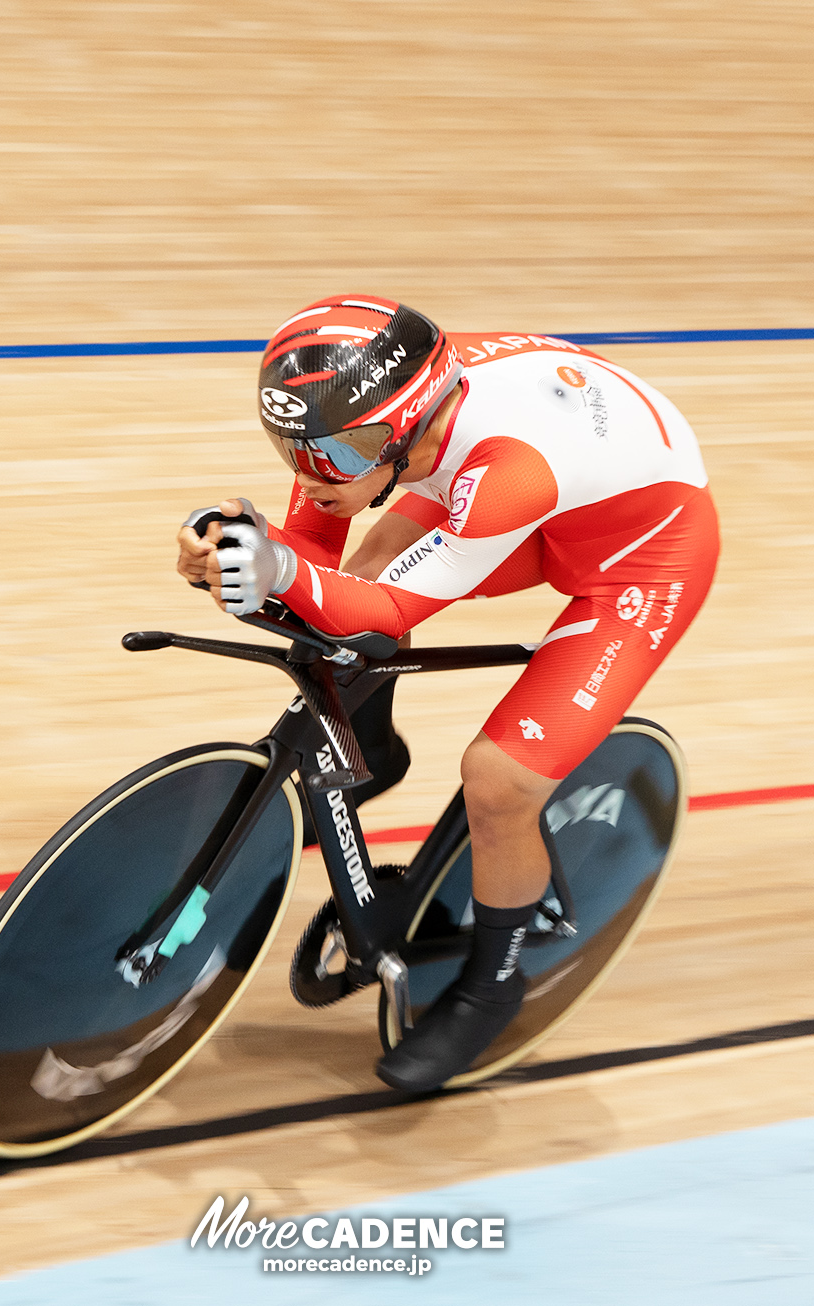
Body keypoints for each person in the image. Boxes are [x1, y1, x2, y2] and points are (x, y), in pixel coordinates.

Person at [175, 294, 718, 1091]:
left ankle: (492, 986)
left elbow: (391, 608)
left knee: (500, 781)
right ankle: (373, 745)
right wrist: (237, 547)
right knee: (355, 569)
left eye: (336, 456)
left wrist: (280, 573)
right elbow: (321, 547)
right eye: (294, 449)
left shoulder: (502, 475)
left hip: (641, 558)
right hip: (556, 497)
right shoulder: (363, 400)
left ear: (402, 429)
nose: (312, 474)